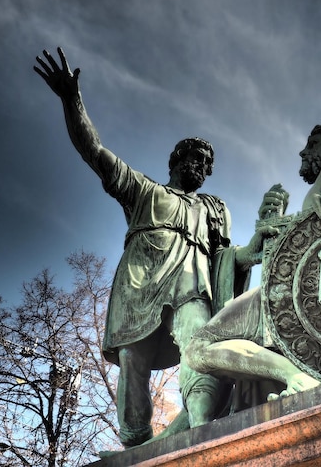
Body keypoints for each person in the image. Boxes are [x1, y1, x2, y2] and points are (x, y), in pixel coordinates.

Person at [34, 48, 274, 447]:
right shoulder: (143, 191)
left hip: (191, 288)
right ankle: (137, 444)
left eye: (206, 163)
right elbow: (94, 153)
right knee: (132, 364)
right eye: (194, 158)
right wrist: (70, 99)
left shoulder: (214, 208)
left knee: (203, 347)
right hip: (139, 286)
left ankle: (203, 428)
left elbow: (224, 261)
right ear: (176, 161)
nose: (200, 167)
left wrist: (253, 249)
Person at [184, 124, 321, 404]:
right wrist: (276, 220)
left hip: (305, 285)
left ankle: (295, 376)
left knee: (199, 347)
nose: (305, 151)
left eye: (312, 143)